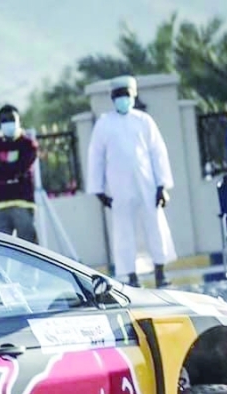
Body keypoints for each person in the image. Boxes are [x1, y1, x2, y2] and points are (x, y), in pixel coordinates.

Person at [87, 76, 176, 288]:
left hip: (147, 185)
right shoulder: (104, 123)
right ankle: (131, 277)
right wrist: (99, 191)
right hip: (119, 188)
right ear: (112, 98)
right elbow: (96, 157)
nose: (122, 99)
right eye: (118, 95)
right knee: (124, 231)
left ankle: (160, 272)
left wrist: (162, 186)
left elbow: (158, 153)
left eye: (126, 95)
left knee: (155, 226)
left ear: (133, 95)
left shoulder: (144, 121)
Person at [0, 104, 39, 242]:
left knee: (29, 249)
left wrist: (0, 170)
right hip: (0, 205)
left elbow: (22, 166)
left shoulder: (28, 144)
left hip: (23, 203)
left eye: (12, 120)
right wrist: (11, 172)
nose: (9, 124)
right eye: (5, 121)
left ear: (19, 122)